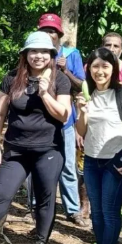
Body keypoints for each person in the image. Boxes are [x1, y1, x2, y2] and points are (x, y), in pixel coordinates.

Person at [0, 32, 71, 244]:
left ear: (51, 55)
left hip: (48, 150)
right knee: (0, 194)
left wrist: (44, 94)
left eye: (44, 52)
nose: (38, 56)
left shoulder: (60, 80)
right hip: (16, 150)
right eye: (34, 51)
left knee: (45, 197)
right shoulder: (12, 78)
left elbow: (64, 115)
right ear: (25, 54)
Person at [74, 48, 122, 244]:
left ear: (113, 69)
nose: (100, 71)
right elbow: (81, 131)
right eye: (95, 66)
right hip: (92, 160)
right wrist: (82, 111)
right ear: (88, 69)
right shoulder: (87, 95)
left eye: (105, 66)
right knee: (97, 213)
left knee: (110, 212)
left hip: (116, 159)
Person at [37, 13, 87, 227]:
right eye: (45, 31)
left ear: (59, 34)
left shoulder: (71, 54)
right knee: (38, 166)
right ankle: (35, 207)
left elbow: (81, 86)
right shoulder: (34, 53)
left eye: (52, 32)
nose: (49, 35)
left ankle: (73, 209)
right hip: (39, 120)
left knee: (67, 166)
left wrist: (65, 69)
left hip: (65, 120)